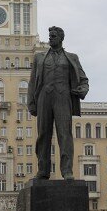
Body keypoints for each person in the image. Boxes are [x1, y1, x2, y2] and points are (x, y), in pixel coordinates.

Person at [27, 26, 89, 180]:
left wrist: (83, 89)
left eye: (53, 36)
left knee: (65, 134)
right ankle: (43, 170)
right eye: (50, 36)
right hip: (44, 98)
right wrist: (31, 102)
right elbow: (32, 82)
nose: (51, 38)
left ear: (61, 38)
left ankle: (67, 170)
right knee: (43, 135)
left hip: (63, 98)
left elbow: (83, 79)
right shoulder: (39, 58)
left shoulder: (72, 58)